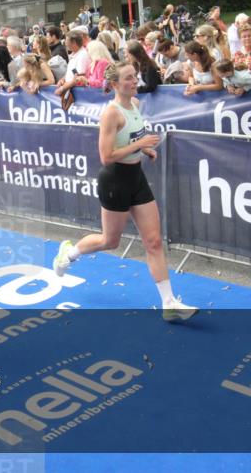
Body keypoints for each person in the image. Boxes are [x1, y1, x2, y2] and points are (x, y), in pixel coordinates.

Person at [52, 62, 197, 321]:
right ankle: (69, 254)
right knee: (111, 241)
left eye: (135, 76)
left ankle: (169, 304)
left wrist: (144, 150)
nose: (135, 81)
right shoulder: (111, 113)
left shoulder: (136, 106)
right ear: (115, 84)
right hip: (115, 181)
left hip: (136, 177)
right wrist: (140, 143)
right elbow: (106, 156)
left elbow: (129, 142)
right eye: (129, 78)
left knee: (153, 241)